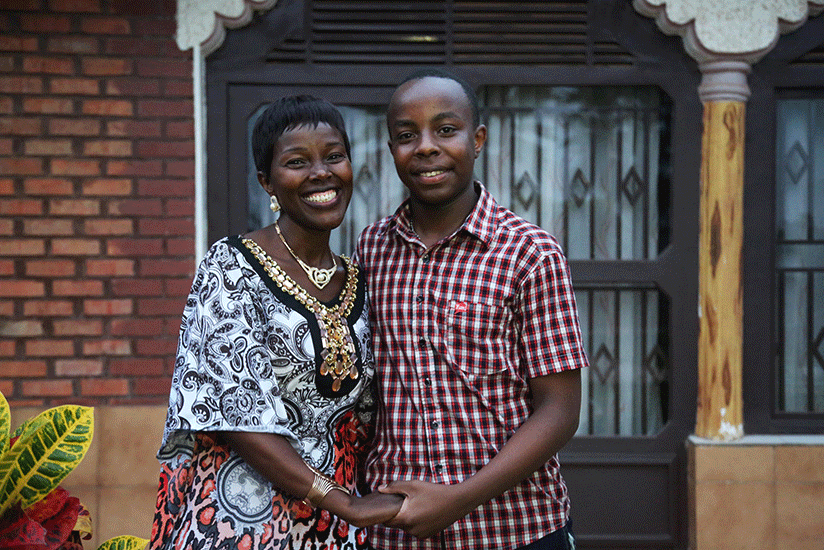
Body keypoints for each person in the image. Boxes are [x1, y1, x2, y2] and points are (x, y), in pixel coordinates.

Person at [150, 95, 403, 550]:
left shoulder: (361, 278)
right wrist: (342, 502)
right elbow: (234, 412)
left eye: (334, 156)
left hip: (334, 531)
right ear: (267, 181)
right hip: (240, 518)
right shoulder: (231, 267)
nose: (321, 172)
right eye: (297, 161)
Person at [355, 68, 587, 550]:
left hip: (516, 529)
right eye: (405, 135)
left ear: (477, 139)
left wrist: (459, 499)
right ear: (391, 148)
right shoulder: (371, 249)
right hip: (395, 532)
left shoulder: (529, 252)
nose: (425, 146)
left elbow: (560, 411)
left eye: (445, 129)